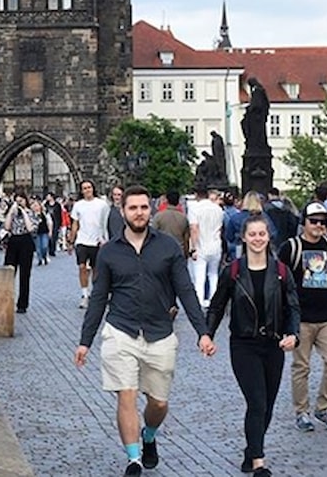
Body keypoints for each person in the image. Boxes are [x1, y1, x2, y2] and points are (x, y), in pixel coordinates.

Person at [75, 186, 210, 477]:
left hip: (160, 332)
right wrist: (85, 341)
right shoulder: (109, 251)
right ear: (122, 212)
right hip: (121, 331)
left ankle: (149, 435)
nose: (139, 213)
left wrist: (203, 331)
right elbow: (99, 298)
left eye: (143, 208)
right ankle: (133, 459)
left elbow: (185, 290)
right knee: (127, 394)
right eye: (133, 208)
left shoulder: (168, 247)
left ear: (151, 210)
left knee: (159, 402)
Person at [202, 215, 300, 477]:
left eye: (262, 234)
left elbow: (292, 307)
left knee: (267, 404)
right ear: (243, 237)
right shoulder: (232, 271)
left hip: (273, 345)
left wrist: (293, 334)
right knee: (256, 401)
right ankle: (258, 461)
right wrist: (207, 334)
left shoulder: (280, 271)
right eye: (252, 234)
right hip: (244, 345)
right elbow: (217, 306)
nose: (257, 239)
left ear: (269, 237)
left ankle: (250, 449)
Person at [282, 203, 327, 433]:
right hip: (300, 318)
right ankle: (302, 412)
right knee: (301, 366)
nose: (319, 225)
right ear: (304, 223)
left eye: (323, 221)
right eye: (314, 221)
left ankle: (324, 406)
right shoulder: (291, 248)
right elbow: (281, 282)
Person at [69, 180, 110, 309]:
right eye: (84, 188)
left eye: (89, 187)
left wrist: (105, 239)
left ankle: (95, 293)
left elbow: (106, 223)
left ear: (93, 188)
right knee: (82, 267)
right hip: (82, 240)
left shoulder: (102, 204)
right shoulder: (78, 205)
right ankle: (84, 295)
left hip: (97, 241)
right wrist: (71, 241)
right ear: (81, 191)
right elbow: (74, 224)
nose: (87, 190)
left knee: (96, 270)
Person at [187, 187, 225, 308]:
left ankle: (199, 301)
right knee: (213, 274)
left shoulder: (194, 209)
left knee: (200, 276)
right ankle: (214, 299)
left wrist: (193, 247)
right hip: (215, 244)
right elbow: (220, 228)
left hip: (201, 245)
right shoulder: (218, 209)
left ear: (197, 195)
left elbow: (194, 229)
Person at [3, 192, 38, 314]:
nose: (19, 204)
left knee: (24, 274)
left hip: (26, 241)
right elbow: (7, 227)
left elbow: (30, 228)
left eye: (21, 201)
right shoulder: (12, 213)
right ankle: (6, 300)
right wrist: (11, 212)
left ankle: (22, 304)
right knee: (8, 272)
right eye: (17, 201)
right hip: (13, 241)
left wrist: (24, 212)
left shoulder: (31, 213)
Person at [264, 188, 300, 253]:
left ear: (269, 195)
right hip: (285, 239)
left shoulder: (266, 208)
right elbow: (293, 224)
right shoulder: (287, 208)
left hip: (272, 241)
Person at [31, 199, 53, 266]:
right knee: (38, 248)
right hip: (36, 233)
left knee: (44, 246)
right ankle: (40, 260)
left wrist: (50, 231)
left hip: (44, 232)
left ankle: (44, 256)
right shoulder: (32, 214)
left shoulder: (45, 213)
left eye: (37, 205)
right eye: (34, 206)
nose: (36, 207)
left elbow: (50, 222)